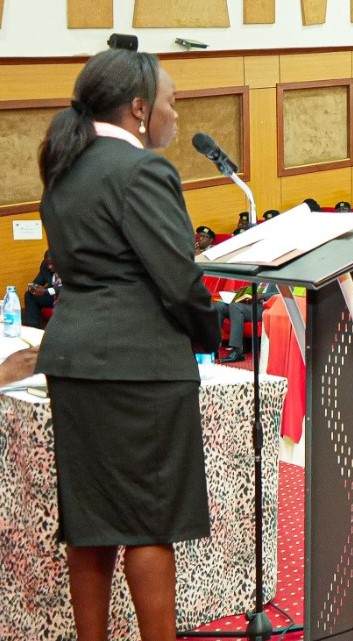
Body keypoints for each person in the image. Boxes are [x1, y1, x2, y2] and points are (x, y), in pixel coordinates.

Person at [35, 49, 222, 641]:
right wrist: (212, 330)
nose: (176, 111)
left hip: (75, 358)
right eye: (170, 101)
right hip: (139, 366)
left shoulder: (67, 164)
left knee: (89, 523)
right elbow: (177, 279)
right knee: (148, 522)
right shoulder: (140, 170)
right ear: (139, 109)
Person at [214, 281, 278, 363]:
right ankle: (214, 346)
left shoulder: (281, 274)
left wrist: (263, 296)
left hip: (264, 306)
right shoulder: (260, 276)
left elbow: (282, 294)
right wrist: (236, 294)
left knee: (235, 307)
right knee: (219, 306)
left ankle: (237, 351)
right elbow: (250, 290)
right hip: (250, 303)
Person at [22, 250, 60, 329]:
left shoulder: (68, 268)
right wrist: (32, 288)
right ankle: (33, 328)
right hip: (53, 297)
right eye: (47, 264)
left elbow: (68, 288)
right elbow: (34, 283)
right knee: (29, 295)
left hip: (67, 297)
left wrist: (46, 291)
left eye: (52, 264)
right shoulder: (45, 268)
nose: (49, 266)